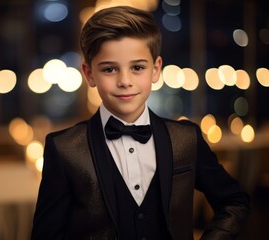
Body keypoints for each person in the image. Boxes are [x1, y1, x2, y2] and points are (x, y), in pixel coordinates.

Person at [31, 5, 250, 240]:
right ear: (89, 74)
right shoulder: (64, 148)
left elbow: (234, 201)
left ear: (156, 69)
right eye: (109, 69)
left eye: (137, 67)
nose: (125, 81)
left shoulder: (186, 139)